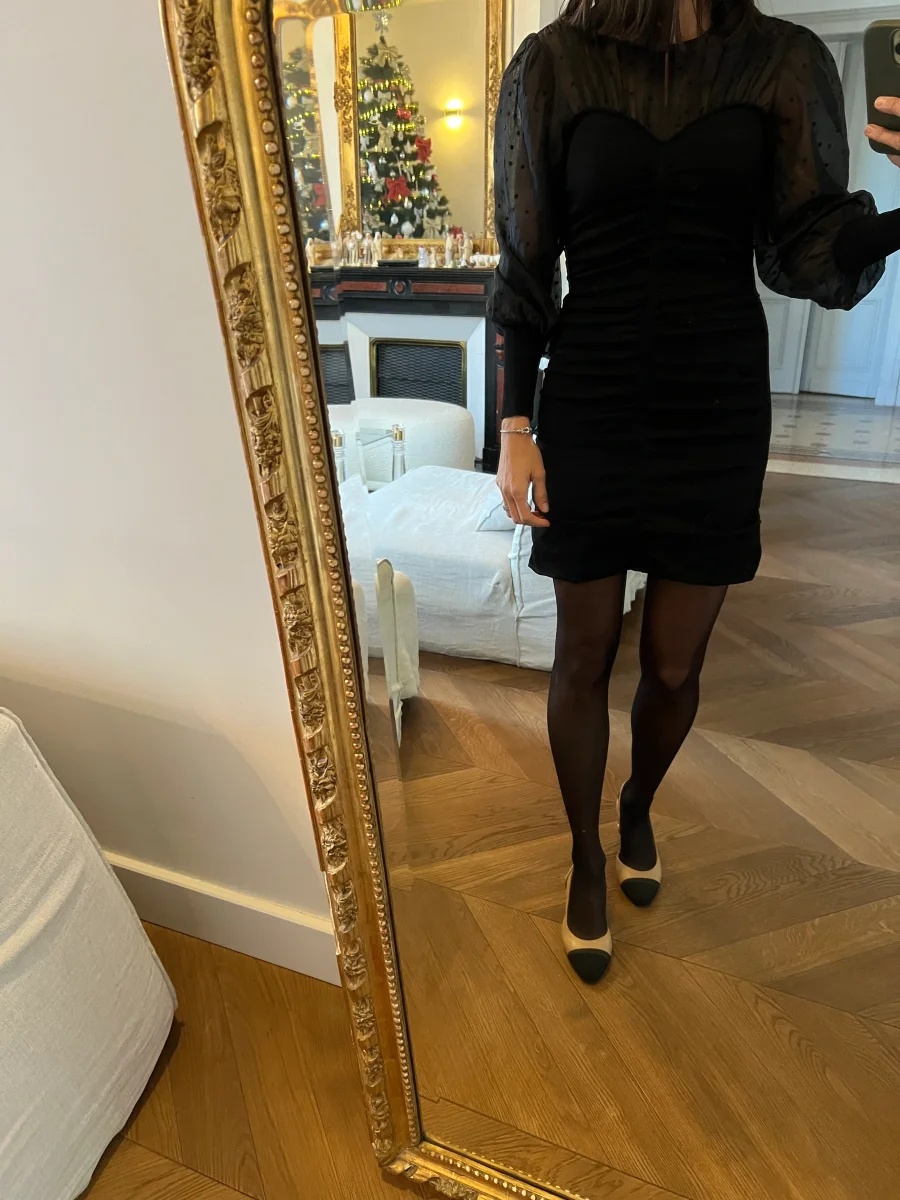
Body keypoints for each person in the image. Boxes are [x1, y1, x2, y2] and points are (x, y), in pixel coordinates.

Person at [489, 0, 900, 983]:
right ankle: (585, 855)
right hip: (590, 398)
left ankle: (637, 805)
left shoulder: (781, 61)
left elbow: (807, 250)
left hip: (715, 403)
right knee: (582, 656)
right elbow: (525, 263)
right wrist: (512, 428)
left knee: (674, 667)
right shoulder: (555, 64)